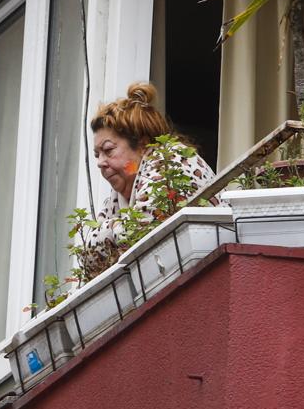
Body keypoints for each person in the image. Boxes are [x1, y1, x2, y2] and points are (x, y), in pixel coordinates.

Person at [75, 82, 215, 279]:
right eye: (97, 154)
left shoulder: (169, 162)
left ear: (142, 145)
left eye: (108, 150)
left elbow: (139, 231)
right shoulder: (118, 197)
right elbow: (88, 261)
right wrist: (116, 230)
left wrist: (111, 230)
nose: (100, 162)